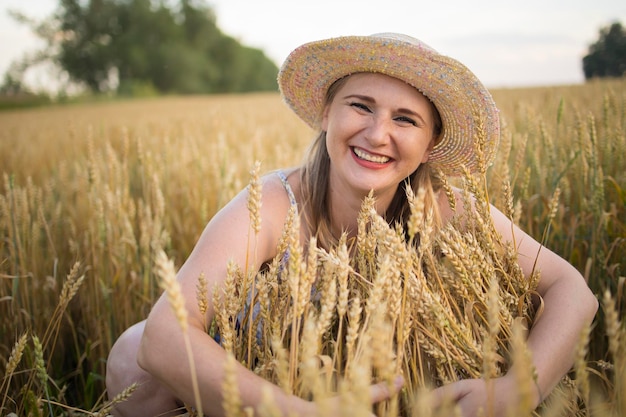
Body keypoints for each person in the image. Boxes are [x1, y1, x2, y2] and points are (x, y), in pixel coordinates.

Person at [105, 33, 598, 417]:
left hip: (395, 386)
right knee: (130, 356)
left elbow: (572, 290)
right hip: (271, 383)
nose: (377, 133)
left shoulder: (443, 205)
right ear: (326, 113)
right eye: (361, 106)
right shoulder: (276, 203)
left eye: (405, 119)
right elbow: (164, 335)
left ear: (429, 147)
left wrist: (518, 389)